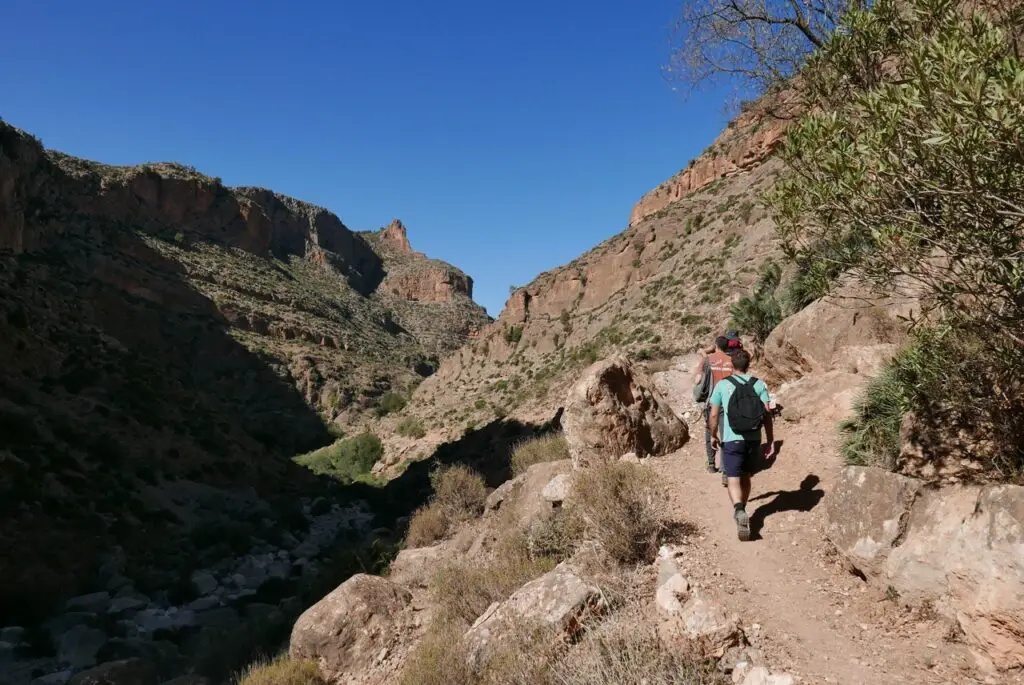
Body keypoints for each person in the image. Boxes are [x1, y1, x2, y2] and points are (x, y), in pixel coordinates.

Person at [708, 349, 776, 541]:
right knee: (746, 475)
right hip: (753, 439)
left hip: (732, 438)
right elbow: (767, 415)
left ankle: (739, 509)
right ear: (749, 364)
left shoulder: (722, 385)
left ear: (731, 365)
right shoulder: (759, 384)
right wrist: (770, 440)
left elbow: (714, 415)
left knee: (733, 477)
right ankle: (743, 508)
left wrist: (713, 435)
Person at [691, 336, 736, 473]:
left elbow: (697, 379)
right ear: (727, 347)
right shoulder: (732, 361)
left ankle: (711, 464)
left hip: (711, 402)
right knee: (726, 434)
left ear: (715, 345)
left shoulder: (707, 360)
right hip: (728, 402)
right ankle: (725, 468)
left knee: (710, 431)